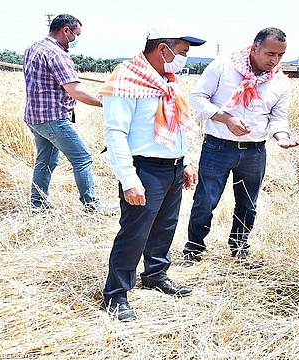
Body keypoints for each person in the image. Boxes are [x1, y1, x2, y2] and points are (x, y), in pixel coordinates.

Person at [100, 27, 205, 321]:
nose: (184, 58)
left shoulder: (167, 81)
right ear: (163, 49)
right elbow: (116, 134)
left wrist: (184, 162)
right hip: (144, 169)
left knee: (165, 227)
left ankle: (156, 274)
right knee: (134, 232)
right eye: (182, 51)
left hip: (171, 169)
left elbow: (178, 126)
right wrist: (129, 179)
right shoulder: (126, 80)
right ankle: (116, 294)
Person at [181, 27, 299, 263]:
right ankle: (194, 248)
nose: (274, 60)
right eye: (270, 54)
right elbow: (197, 98)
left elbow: (278, 117)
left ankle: (239, 248)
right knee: (206, 200)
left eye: (280, 55)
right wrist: (225, 118)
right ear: (255, 47)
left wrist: (282, 137)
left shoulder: (280, 82)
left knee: (248, 203)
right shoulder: (223, 67)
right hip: (217, 146)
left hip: (255, 151)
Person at [23, 14, 106, 211]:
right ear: (65, 30)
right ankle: (91, 205)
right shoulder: (58, 55)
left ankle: (38, 205)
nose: (76, 40)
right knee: (83, 158)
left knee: (45, 161)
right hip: (53, 118)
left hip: (35, 117)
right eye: (76, 35)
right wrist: (105, 103)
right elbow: (75, 91)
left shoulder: (33, 48)